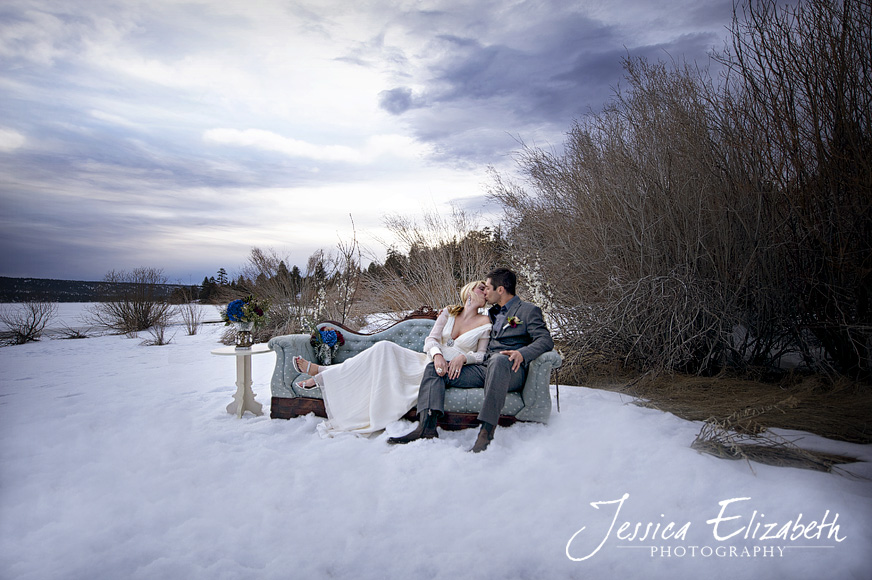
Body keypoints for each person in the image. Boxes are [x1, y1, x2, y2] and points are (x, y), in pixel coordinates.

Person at [291, 281, 492, 437]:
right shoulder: (449, 312)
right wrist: (437, 354)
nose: (486, 292)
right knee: (383, 348)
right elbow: (431, 340)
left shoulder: (485, 322)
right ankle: (322, 373)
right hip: (426, 360)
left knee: (380, 364)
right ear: (469, 290)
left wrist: (462, 358)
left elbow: (481, 354)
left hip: (435, 372)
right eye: (482, 288)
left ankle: (322, 373)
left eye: (487, 290)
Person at [388, 267, 554, 452]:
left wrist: (523, 353)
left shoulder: (528, 311)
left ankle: (486, 432)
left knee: (498, 360)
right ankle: (426, 426)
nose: (486, 292)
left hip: (509, 370)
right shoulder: (491, 314)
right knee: (434, 369)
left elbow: (545, 340)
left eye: (488, 288)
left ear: (500, 290)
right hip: (483, 369)